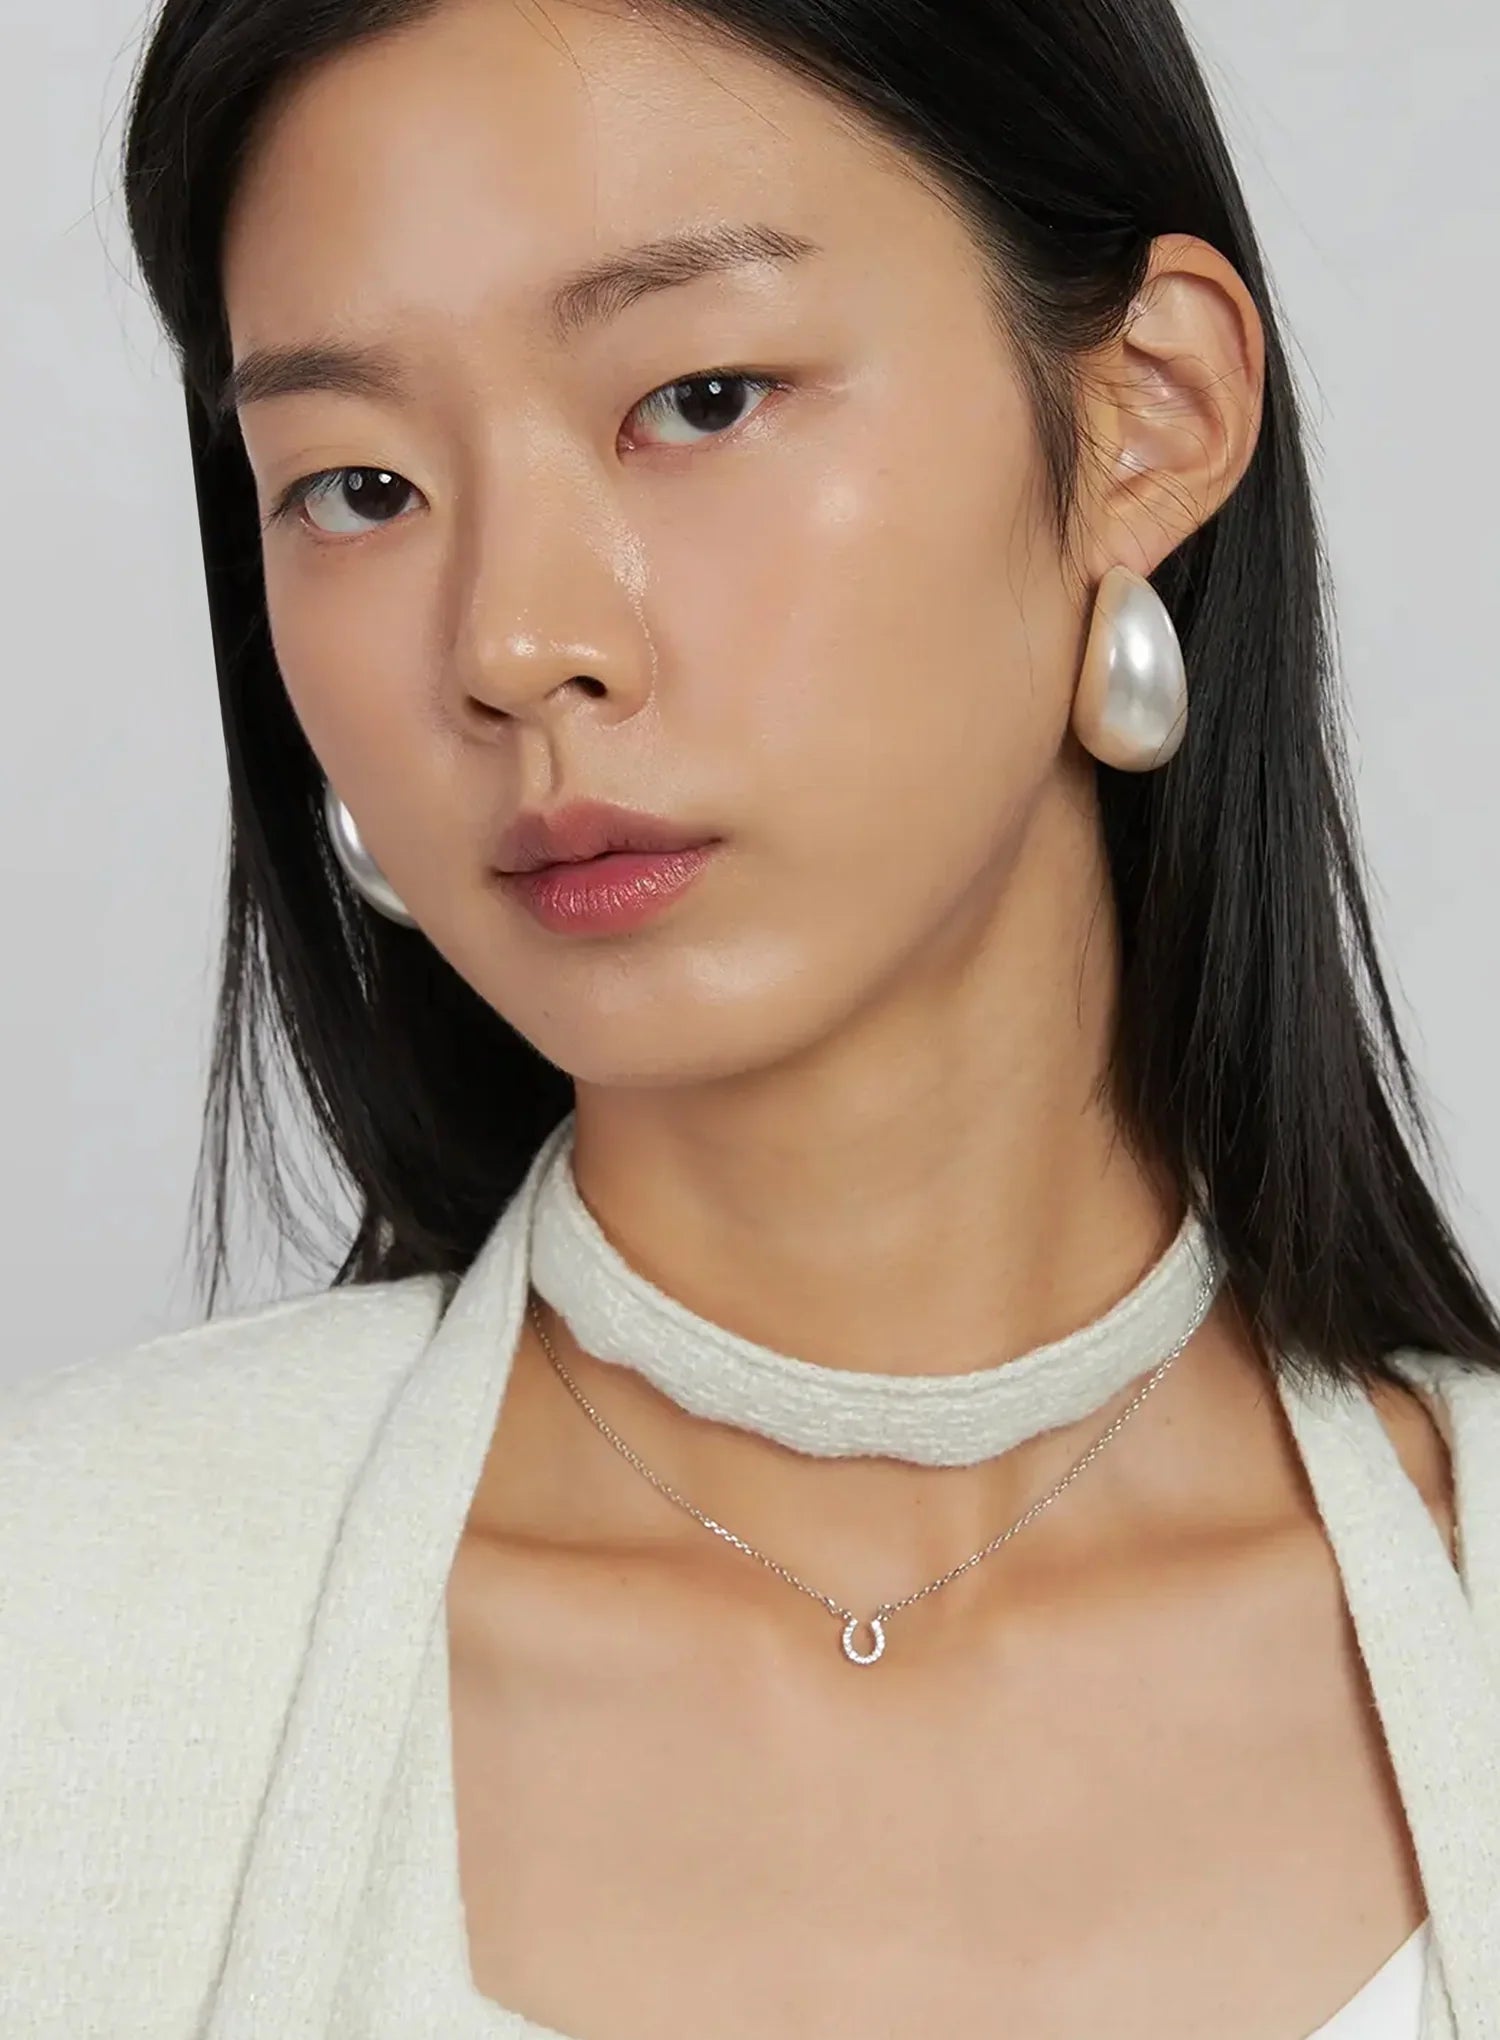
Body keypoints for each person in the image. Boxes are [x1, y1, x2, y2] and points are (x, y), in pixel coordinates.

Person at [3, 0, 1499, 2034]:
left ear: (1144, 416)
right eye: (356, 487)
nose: (517, 642)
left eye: (698, 399)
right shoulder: (60, 1640)